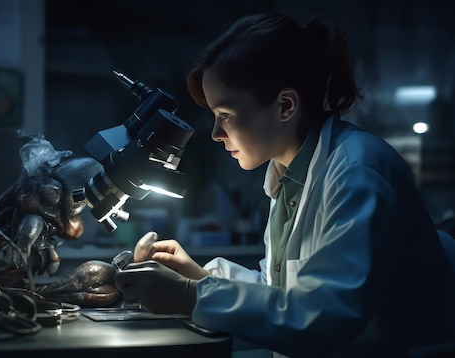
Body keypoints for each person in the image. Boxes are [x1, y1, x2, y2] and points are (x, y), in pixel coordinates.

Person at [114, 12, 455, 357]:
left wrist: (190, 296)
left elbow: (324, 317)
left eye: (226, 116)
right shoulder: (291, 175)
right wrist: (198, 278)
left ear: (285, 106)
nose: (216, 134)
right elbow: (283, 293)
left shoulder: (357, 172)